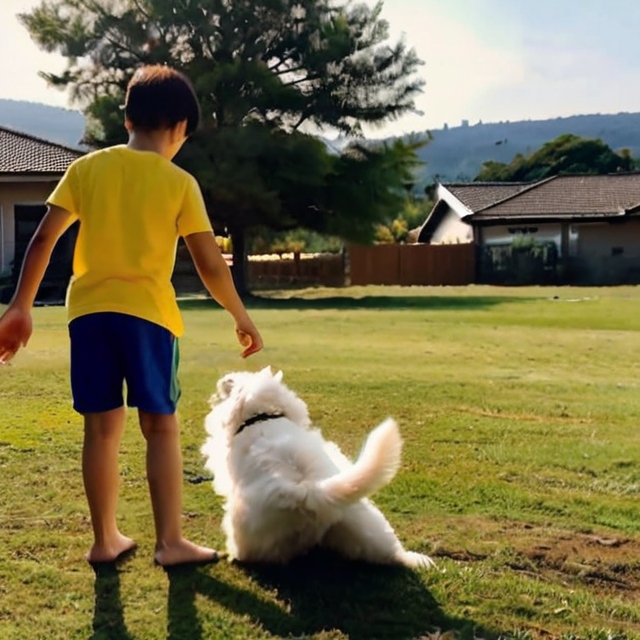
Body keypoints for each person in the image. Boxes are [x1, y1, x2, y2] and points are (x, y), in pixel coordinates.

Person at [0, 64, 263, 567]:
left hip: (90, 315)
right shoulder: (180, 183)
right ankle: (170, 542)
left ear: (127, 119)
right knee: (160, 426)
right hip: (149, 318)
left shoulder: (86, 169)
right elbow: (210, 263)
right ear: (181, 128)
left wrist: (20, 306)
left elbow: (43, 240)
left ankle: (104, 540)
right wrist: (240, 316)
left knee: (101, 429)